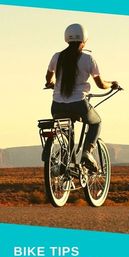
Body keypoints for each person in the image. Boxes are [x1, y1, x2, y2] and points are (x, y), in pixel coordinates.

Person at [45, 23, 119, 171]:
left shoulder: (56, 57)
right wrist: (112, 84)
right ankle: (87, 152)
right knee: (96, 122)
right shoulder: (88, 59)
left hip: (57, 105)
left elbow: (48, 78)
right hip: (79, 104)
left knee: (66, 130)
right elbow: (100, 84)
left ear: (66, 38)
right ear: (84, 40)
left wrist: (52, 84)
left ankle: (67, 163)